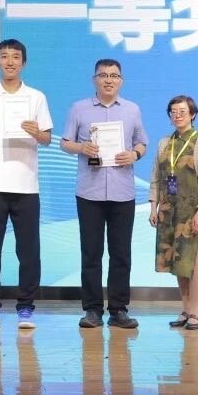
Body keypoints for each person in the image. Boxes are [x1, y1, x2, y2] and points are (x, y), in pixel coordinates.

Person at [0, 38, 53, 329]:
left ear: (24, 62)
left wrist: (36, 132)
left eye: (16, 57)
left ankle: (26, 307)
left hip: (26, 186)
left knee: (28, 252)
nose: (10, 62)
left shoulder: (36, 97)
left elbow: (47, 138)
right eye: (4, 56)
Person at [61, 58, 148, 330]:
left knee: (121, 254)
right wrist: (82, 148)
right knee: (91, 254)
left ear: (121, 80)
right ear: (94, 79)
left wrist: (134, 154)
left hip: (123, 192)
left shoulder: (132, 110)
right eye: (103, 75)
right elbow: (64, 143)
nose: (109, 80)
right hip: (90, 192)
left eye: (114, 75)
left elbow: (142, 143)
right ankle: (92, 310)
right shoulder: (79, 108)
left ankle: (119, 309)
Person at [149, 95, 198, 331]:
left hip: (190, 211)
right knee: (177, 260)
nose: (177, 116)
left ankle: (196, 312)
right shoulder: (164, 143)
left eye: (182, 111)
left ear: (192, 115)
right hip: (168, 211)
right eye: (173, 112)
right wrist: (153, 206)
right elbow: (156, 177)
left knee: (193, 262)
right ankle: (185, 309)